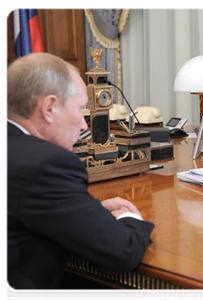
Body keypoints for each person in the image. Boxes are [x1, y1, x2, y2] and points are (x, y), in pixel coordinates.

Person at [5, 53, 154, 300]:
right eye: (81, 109)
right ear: (49, 108)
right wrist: (128, 216)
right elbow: (122, 252)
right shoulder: (46, 164)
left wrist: (83, 210)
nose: (85, 125)